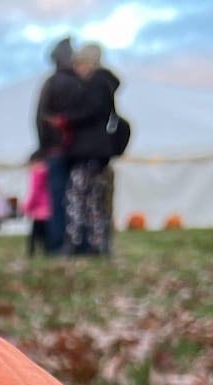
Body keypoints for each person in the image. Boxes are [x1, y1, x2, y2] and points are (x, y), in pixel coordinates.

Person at [63, 43, 119, 257]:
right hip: (99, 151)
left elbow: (91, 112)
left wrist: (68, 118)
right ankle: (96, 243)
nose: (76, 68)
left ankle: (78, 242)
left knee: (80, 197)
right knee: (95, 198)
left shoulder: (96, 84)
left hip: (88, 151)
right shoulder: (105, 85)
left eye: (79, 63)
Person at [33, 36, 82, 255]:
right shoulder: (80, 83)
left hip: (55, 151)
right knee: (76, 199)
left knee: (56, 199)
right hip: (78, 151)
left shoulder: (51, 84)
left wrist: (44, 146)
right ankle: (76, 244)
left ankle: (55, 245)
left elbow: (40, 117)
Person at [25, 151, 50, 256]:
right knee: (45, 234)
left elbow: (35, 192)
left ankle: (31, 252)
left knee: (34, 234)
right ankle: (46, 251)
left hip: (38, 210)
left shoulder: (36, 174)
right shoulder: (49, 172)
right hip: (48, 207)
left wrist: (27, 206)